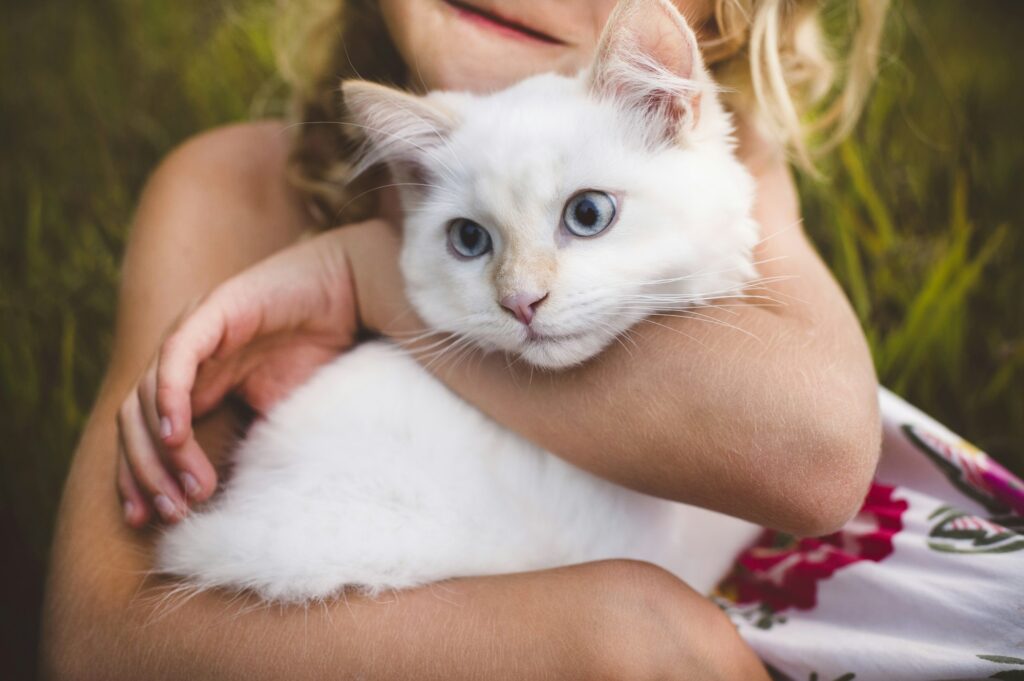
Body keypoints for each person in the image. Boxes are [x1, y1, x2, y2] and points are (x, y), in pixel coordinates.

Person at [47, 1, 1013, 679]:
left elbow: (814, 462)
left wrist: (371, 278)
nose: (523, 294)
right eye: (473, 237)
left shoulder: (718, 162)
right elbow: (102, 642)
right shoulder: (232, 191)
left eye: (586, 214)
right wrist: (610, 634)